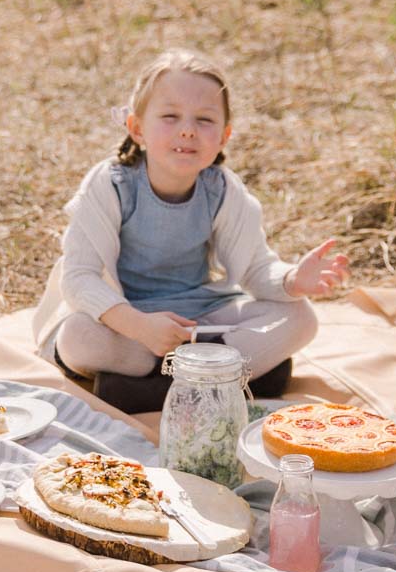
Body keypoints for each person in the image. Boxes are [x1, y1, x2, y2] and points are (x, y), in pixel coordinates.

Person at [32, 48, 349, 413]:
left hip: (194, 319)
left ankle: (153, 388)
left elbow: (255, 270)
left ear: (224, 136)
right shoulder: (112, 184)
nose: (187, 129)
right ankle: (232, 376)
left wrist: (293, 280)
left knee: (300, 317)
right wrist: (140, 327)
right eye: (170, 116)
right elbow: (78, 279)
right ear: (137, 128)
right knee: (77, 338)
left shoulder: (222, 190)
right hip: (126, 323)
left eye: (204, 120)